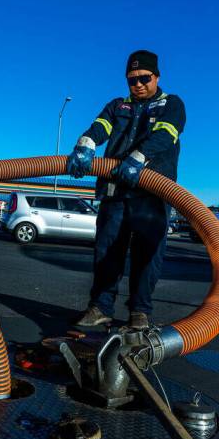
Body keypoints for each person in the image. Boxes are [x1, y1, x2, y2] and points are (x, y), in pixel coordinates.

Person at [66, 50, 185, 329]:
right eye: (132, 80)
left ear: (157, 76)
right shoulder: (118, 106)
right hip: (115, 192)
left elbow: (167, 133)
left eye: (145, 78)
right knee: (107, 252)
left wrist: (140, 157)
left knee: (147, 256)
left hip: (152, 195)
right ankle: (100, 308)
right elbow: (100, 126)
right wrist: (86, 143)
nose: (139, 84)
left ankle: (139, 313)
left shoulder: (172, 104)